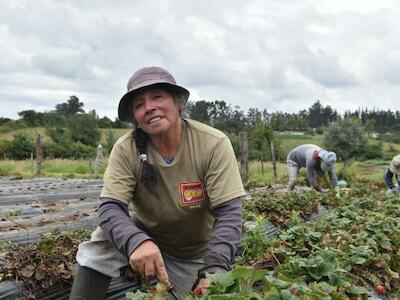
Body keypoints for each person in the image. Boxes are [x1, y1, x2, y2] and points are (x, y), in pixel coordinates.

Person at [69, 66, 246, 299]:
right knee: (101, 241)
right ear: (135, 117)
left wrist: (213, 271)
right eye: (139, 104)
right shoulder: (126, 149)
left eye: (157, 97)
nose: (149, 107)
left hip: (192, 253)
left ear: (179, 103)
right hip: (147, 236)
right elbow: (110, 207)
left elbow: (229, 214)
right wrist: (135, 242)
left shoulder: (212, 144)